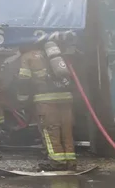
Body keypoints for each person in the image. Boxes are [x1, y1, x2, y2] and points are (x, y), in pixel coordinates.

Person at [17, 43, 76, 171]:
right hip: (66, 97)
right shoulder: (59, 55)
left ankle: (57, 162)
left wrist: (22, 99)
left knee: (51, 130)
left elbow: (24, 81)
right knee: (67, 130)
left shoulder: (28, 57)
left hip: (45, 99)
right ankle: (70, 161)